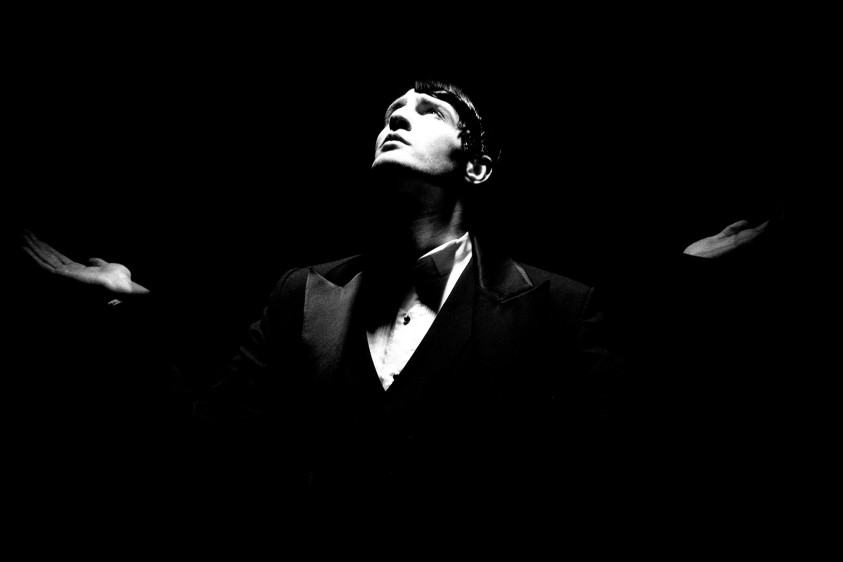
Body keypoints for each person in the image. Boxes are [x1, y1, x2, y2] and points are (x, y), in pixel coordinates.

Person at [17, 80, 775, 543]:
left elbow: (625, 468)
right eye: (391, 109)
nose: (399, 116)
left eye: (428, 109)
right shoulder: (300, 293)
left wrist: (695, 291)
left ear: (477, 165)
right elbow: (209, 451)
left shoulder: (559, 307)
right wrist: (120, 309)